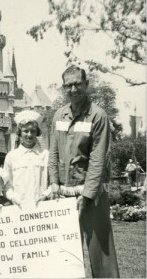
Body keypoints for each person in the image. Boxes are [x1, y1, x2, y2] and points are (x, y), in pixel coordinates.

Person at [48, 65, 119, 278]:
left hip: (92, 194)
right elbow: (52, 152)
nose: (73, 89)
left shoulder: (98, 115)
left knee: (102, 255)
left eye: (78, 83)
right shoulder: (59, 115)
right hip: (63, 193)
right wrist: (53, 182)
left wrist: (87, 196)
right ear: (63, 88)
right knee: (65, 255)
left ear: (86, 84)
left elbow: (98, 159)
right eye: (68, 85)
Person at [4, 110, 51, 206]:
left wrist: (46, 195)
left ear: (37, 132)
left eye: (33, 131)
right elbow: (7, 184)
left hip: (42, 207)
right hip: (19, 207)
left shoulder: (45, 155)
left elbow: (53, 181)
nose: (29, 135)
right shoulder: (11, 156)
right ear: (19, 133)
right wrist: (12, 197)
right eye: (25, 131)